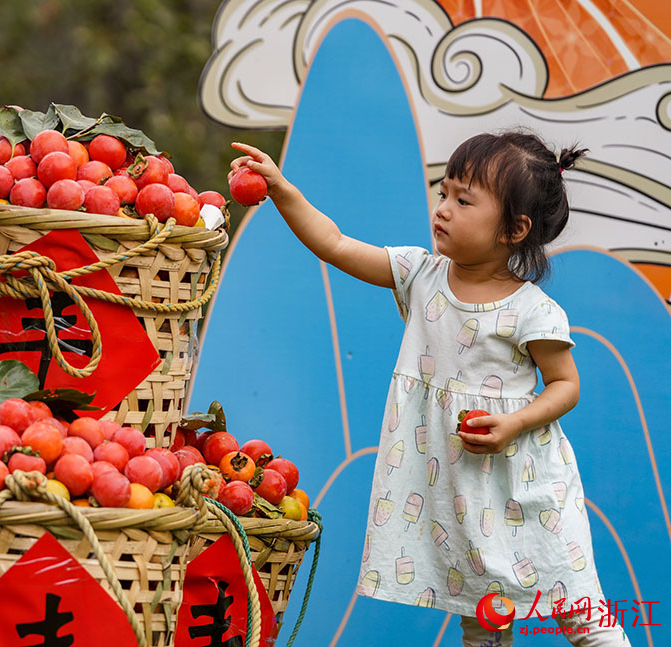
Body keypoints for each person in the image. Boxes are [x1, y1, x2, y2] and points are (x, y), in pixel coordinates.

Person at [230, 131, 631, 646]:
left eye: (464, 200)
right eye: (444, 193)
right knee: (482, 619)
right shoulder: (421, 275)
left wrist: (514, 422)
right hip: (460, 493)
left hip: (527, 492)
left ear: (514, 228)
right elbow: (333, 244)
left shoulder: (532, 310)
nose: (443, 208)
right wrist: (282, 190)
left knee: (581, 613)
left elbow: (565, 386)